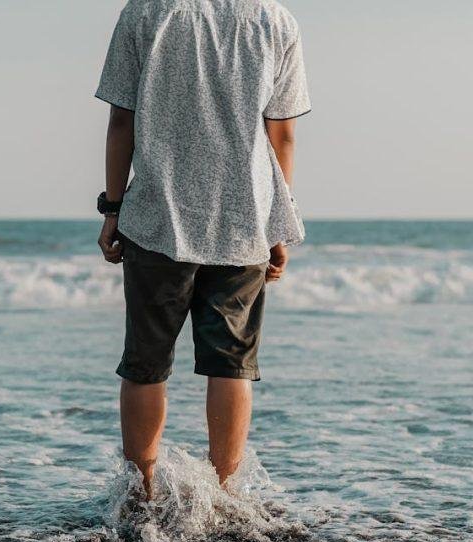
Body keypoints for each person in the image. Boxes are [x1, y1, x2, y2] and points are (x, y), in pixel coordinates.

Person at [95, 0, 311, 499]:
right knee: (231, 364)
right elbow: (283, 132)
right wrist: (278, 224)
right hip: (244, 218)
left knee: (146, 364)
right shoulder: (274, 20)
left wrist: (112, 209)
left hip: (156, 217)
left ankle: (140, 495)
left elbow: (120, 122)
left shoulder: (145, 12)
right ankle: (227, 496)